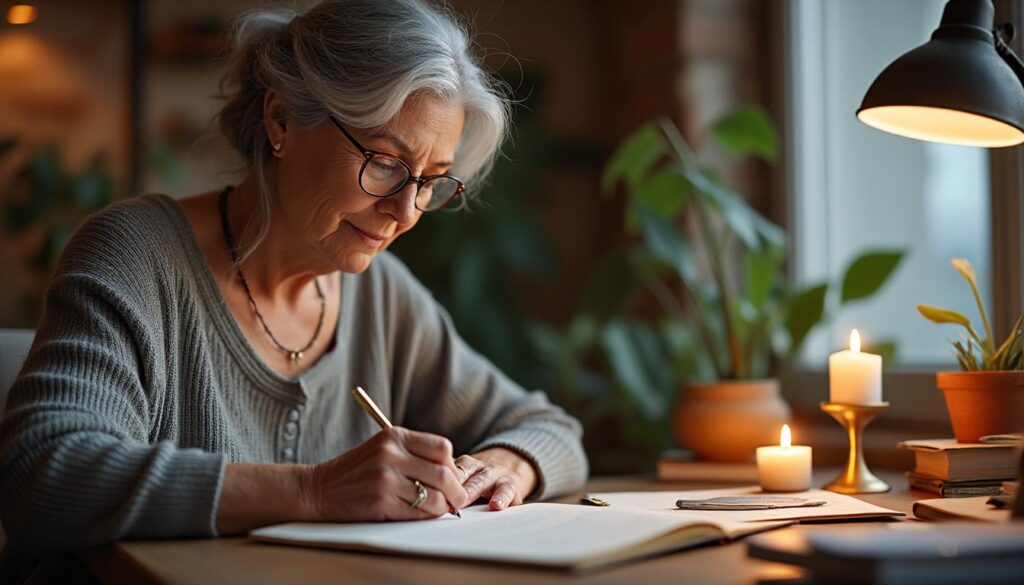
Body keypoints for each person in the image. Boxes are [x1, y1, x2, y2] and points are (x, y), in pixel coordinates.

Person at [0, 0, 588, 580]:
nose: (405, 211)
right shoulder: (135, 254)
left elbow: (550, 428)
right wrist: (314, 490)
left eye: (432, 181)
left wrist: (503, 466)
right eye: (384, 162)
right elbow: (42, 472)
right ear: (281, 120)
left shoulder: (383, 296)